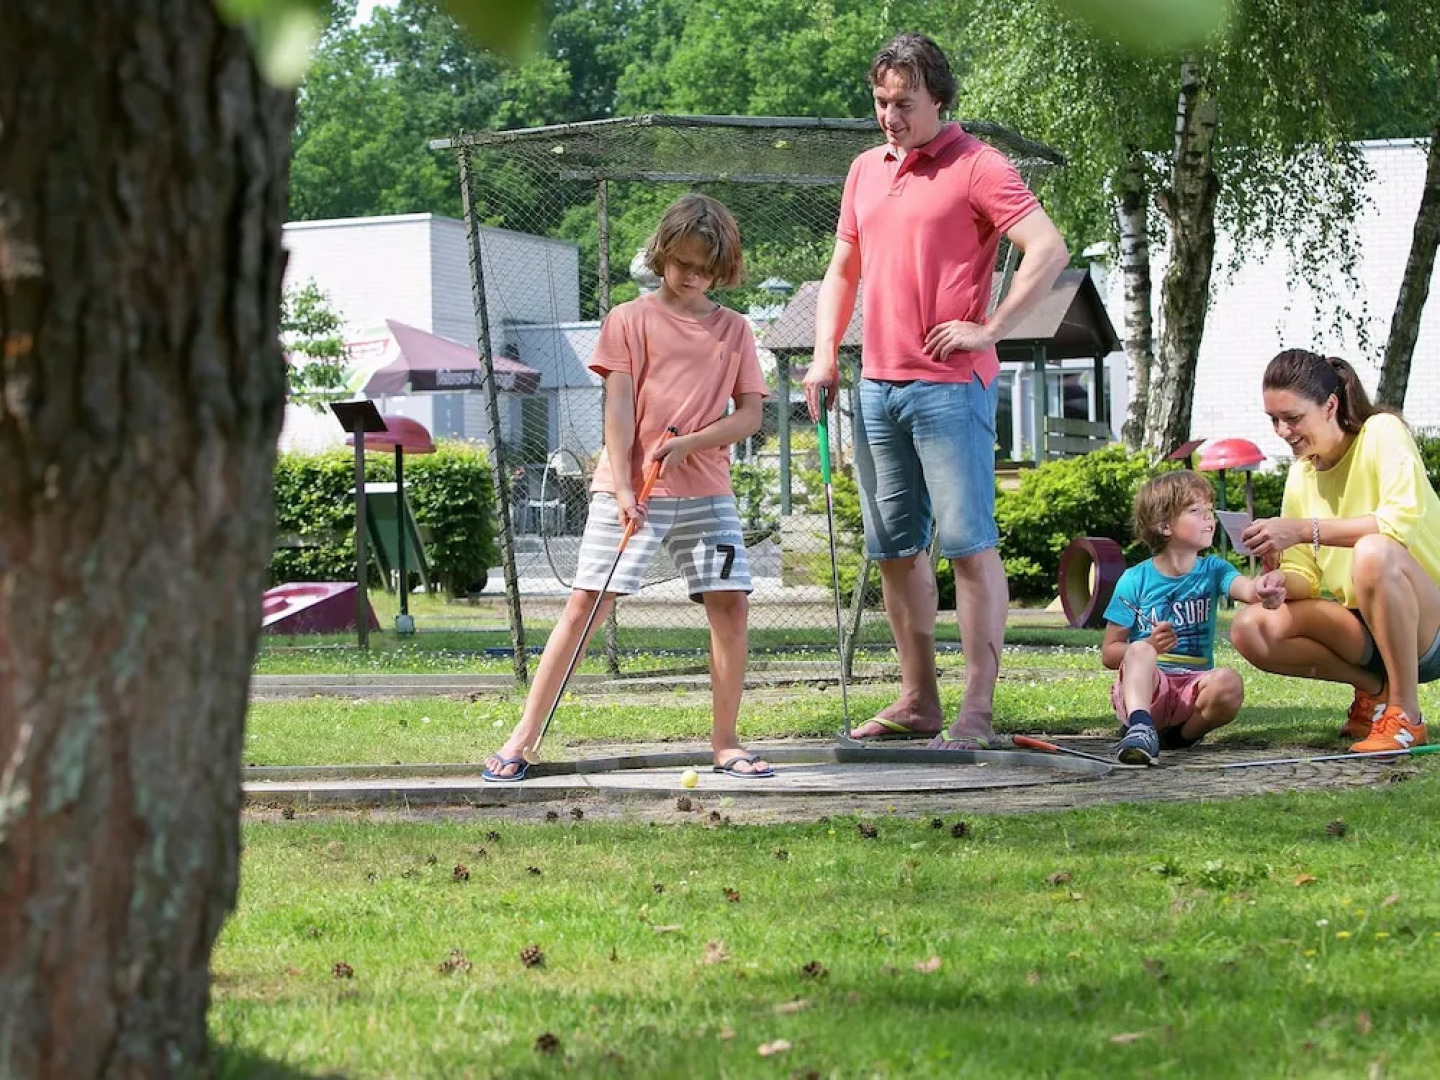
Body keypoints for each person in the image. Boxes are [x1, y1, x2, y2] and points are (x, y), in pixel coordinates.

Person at [802, 32, 1069, 749]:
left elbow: (1048, 248)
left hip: (951, 387)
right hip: (878, 388)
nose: (890, 116)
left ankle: (975, 711)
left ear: (941, 100)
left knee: (968, 546)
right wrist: (826, 355)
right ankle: (918, 700)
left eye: (905, 104)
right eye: (881, 103)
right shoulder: (864, 171)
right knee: (894, 551)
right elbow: (842, 272)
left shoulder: (979, 165)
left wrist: (993, 328)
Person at [484, 194, 772, 781]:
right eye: (683, 263)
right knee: (586, 604)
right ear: (663, 253)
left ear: (723, 268)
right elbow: (616, 410)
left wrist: (691, 442)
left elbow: (748, 417)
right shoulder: (628, 319)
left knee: (731, 607)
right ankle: (522, 738)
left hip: (707, 494)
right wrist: (620, 488)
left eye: (705, 269)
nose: (692, 277)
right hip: (630, 491)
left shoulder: (734, 329)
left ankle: (726, 743)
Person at [1233, 349, 1440, 753]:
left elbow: (1396, 524)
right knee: (1250, 628)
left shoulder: (1382, 432)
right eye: (1273, 419)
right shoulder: (1301, 475)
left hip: (1430, 627)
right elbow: (1306, 579)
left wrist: (1301, 529)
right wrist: (1277, 581)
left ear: (1330, 405)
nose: (1282, 430)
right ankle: (1374, 693)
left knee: (1373, 551)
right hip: (1367, 628)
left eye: (1292, 418)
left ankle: (1406, 716)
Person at [1104, 471, 1287, 764]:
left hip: (1194, 688)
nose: (1208, 519)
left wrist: (1266, 584)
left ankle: (1177, 739)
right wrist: (1151, 644)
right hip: (1149, 687)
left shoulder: (1214, 569)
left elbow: (1247, 589)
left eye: (1209, 510)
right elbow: (1110, 653)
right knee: (1139, 649)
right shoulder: (1133, 579)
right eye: (1195, 511)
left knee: (1230, 682)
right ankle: (1140, 725)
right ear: (1164, 526)